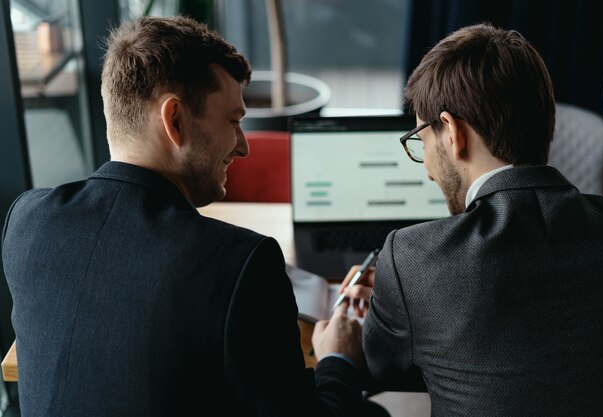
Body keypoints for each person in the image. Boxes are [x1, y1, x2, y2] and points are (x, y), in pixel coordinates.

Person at [2, 16, 389, 417]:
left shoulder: (27, 221)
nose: (243, 147)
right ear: (174, 120)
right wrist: (338, 360)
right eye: (234, 122)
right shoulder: (240, 262)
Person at [340, 23, 603, 416]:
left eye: (422, 140)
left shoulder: (410, 258)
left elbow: (378, 369)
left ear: (453, 133)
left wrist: (387, 314)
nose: (427, 169)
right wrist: (404, 303)